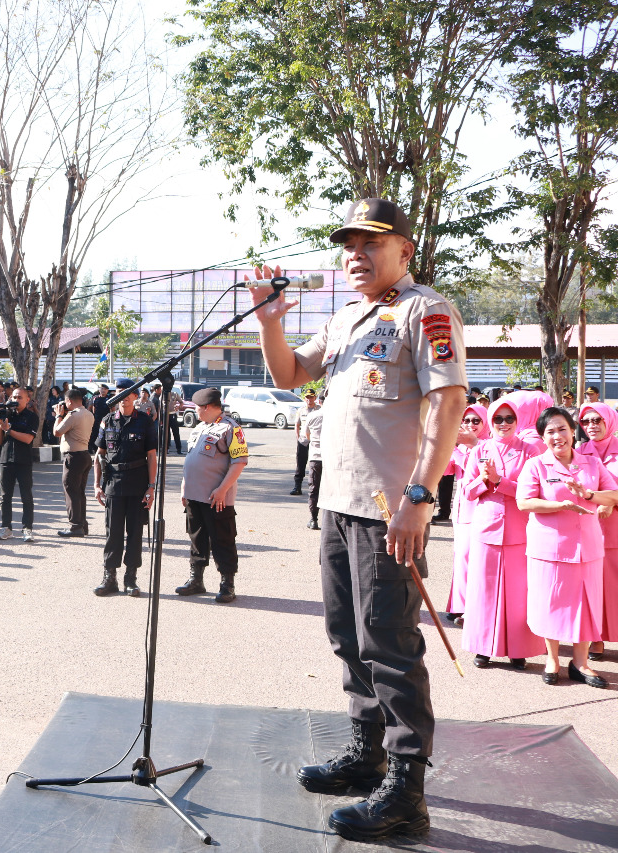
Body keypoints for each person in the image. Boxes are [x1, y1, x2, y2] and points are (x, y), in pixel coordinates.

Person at [252, 198, 467, 841]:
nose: (356, 252)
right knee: (348, 636)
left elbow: (449, 400)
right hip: (339, 507)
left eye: (371, 242)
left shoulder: (424, 311)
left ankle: (405, 789)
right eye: (348, 242)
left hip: (387, 511)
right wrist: (269, 322)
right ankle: (366, 752)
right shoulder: (346, 317)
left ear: (405, 249)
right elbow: (291, 374)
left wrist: (419, 499)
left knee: (391, 646)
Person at [517, 406, 614, 689]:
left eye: (562, 429)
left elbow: (613, 495)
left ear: (573, 431)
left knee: (585, 604)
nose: (558, 436)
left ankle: (580, 662)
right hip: (549, 548)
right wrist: (560, 505)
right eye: (550, 431)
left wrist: (588, 494)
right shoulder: (535, 465)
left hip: (588, 547)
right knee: (551, 602)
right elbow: (524, 502)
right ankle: (553, 658)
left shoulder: (592, 464)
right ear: (542, 437)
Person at [460, 393, 540, 669]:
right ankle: (483, 648)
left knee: (518, 593)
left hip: (519, 529)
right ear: (490, 421)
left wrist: (499, 481)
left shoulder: (530, 450)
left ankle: (518, 649)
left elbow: (533, 491)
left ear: (518, 420)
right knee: (484, 590)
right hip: (486, 528)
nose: (503, 423)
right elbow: (467, 492)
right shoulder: (479, 450)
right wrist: (483, 481)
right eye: (497, 418)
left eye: (509, 418)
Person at [174, 387, 248, 602]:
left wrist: (222, 490)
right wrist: (184, 487)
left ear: (207, 407)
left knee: (222, 539)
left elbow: (239, 462)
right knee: (196, 537)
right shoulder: (200, 428)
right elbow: (191, 460)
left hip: (217, 498)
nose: (195, 410)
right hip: (194, 495)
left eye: (197, 407)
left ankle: (227, 584)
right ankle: (196, 579)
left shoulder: (231, 429)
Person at [91, 381, 158, 596]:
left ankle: (131, 578)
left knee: (135, 532)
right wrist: (96, 485)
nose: (125, 397)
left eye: (129, 393)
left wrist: (151, 487)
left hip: (138, 483)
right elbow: (99, 455)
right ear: (116, 396)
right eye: (120, 393)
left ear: (136, 396)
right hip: (113, 483)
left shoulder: (145, 421)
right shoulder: (107, 420)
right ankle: (109, 577)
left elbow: (152, 456)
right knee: (113, 533)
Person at [576, 401, 618, 662]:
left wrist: (611, 502)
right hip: (588, 528)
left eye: (596, 420)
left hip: (615, 528)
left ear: (609, 421)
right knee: (593, 585)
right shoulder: (578, 451)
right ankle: (597, 637)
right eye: (586, 421)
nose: (591, 426)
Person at [444, 403, 488, 621]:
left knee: (470, 558)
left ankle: (469, 607)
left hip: (479, 510)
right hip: (460, 511)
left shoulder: (489, 445)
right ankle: (458, 604)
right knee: (460, 558)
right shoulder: (460, 446)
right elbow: (444, 470)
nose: (470, 425)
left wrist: (473, 445)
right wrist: (449, 444)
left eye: (476, 421)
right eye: (467, 420)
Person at [0, 386, 38, 542]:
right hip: (6, 459)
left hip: (23, 461)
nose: (16, 400)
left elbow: (27, 439)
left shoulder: (32, 416)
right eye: (14, 397)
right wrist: (0, 424)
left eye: (20, 397)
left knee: (26, 496)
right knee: (5, 497)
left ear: (27, 399)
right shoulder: (6, 415)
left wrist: (9, 430)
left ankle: (27, 528)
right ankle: (6, 527)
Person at [53, 387, 94, 537]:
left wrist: (58, 415)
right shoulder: (88, 414)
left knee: (71, 491)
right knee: (79, 492)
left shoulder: (72, 415)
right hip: (84, 454)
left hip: (73, 456)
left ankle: (75, 526)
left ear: (69, 401)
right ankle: (82, 524)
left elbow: (57, 432)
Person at [304, 393, 326, 530]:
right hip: (332, 458)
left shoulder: (312, 415)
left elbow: (307, 435)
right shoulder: (337, 416)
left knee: (314, 489)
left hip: (316, 457)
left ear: (319, 401)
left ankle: (313, 519)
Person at [292, 389, 318, 495]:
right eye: (307, 397)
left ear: (315, 398)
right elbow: (297, 425)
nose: (309, 399)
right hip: (303, 441)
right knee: (300, 464)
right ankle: (297, 486)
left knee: (316, 464)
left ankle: (316, 488)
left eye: (311, 397)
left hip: (315, 441)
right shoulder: (301, 410)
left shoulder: (319, 410)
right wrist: (298, 437)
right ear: (304, 398)